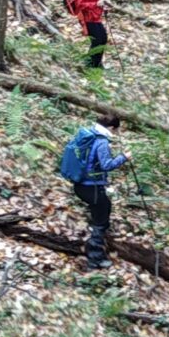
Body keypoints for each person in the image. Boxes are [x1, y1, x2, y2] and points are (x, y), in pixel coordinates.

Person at [57, 112, 128, 270]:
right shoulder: (102, 142)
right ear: (111, 127)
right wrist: (124, 157)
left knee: (100, 213)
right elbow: (107, 165)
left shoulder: (89, 134)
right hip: (92, 187)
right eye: (116, 130)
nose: (115, 133)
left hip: (80, 185)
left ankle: (91, 249)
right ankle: (94, 260)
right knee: (101, 220)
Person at [64, 0, 108, 69]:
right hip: (87, 17)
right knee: (98, 40)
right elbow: (80, 4)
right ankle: (92, 65)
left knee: (102, 38)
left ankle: (95, 63)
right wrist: (96, 4)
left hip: (94, 16)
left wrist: (100, 2)